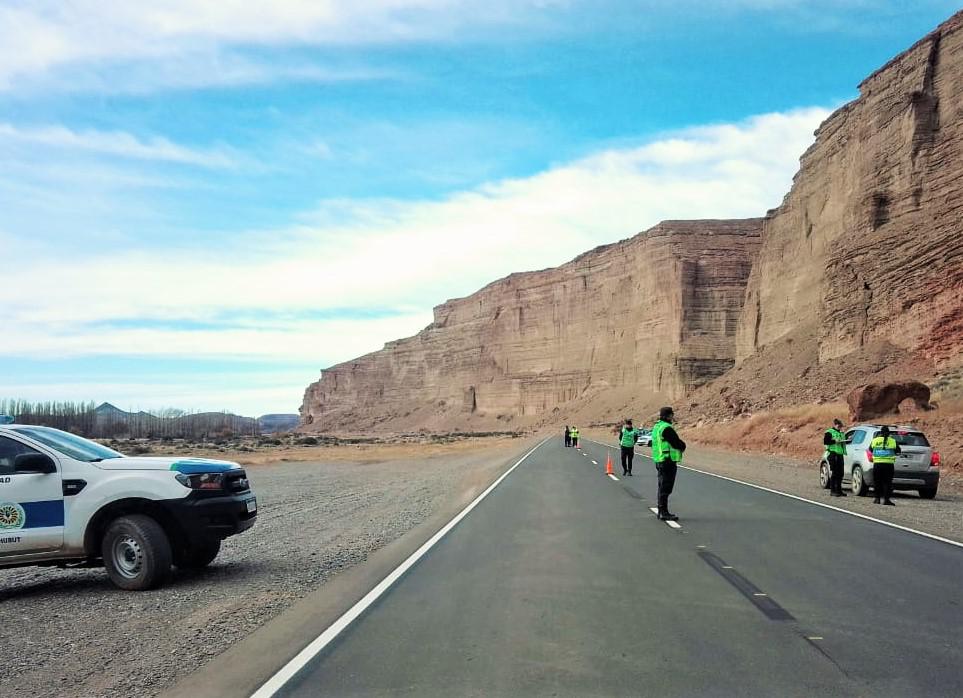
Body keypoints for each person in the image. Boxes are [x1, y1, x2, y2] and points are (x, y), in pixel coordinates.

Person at [651, 406, 686, 521]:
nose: (673, 416)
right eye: (671, 414)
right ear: (669, 416)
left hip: (660, 460)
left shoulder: (657, 427)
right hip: (668, 460)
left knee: (661, 486)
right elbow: (676, 443)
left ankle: (661, 510)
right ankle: (663, 512)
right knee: (666, 487)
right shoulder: (667, 428)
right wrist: (683, 445)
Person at [870, 426, 900, 505]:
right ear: (888, 433)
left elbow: (870, 449)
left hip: (877, 465)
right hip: (888, 465)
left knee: (877, 482)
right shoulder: (893, 441)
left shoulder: (875, 440)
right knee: (887, 483)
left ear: (880, 432)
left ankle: (877, 498)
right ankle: (886, 500)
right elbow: (898, 451)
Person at [823, 418, 848, 497]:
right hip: (833, 454)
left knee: (841, 474)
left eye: (841, 426)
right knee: (835, 473)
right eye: (839, 426)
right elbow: (826, 441)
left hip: (840, 455)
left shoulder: (841, 433)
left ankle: (839, 490)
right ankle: (833, 491)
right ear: (835, 425)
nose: (840, 427)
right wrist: (834, 441)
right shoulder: (829, 432)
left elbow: (842, 443)